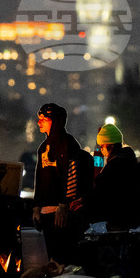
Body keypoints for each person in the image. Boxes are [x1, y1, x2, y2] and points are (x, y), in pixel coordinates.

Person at [32, 103, 91, 264]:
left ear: (55, 121)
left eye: (44, 119)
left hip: (62, 214)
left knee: (65, 257)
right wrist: (36, 207)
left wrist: (64, 205)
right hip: (46, 213)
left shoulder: (68, 144)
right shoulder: (43, 147)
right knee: (52, 259)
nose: (39, 122)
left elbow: (72, 175)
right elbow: (39, 178)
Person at [78, 123, 140, 231]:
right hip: (131, 219)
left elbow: (100, 190)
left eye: (102, 145)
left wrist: (84, 200)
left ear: (110, 146)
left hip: (116, 220)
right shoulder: (130, 161)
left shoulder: (115, 165)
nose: (101, 149)